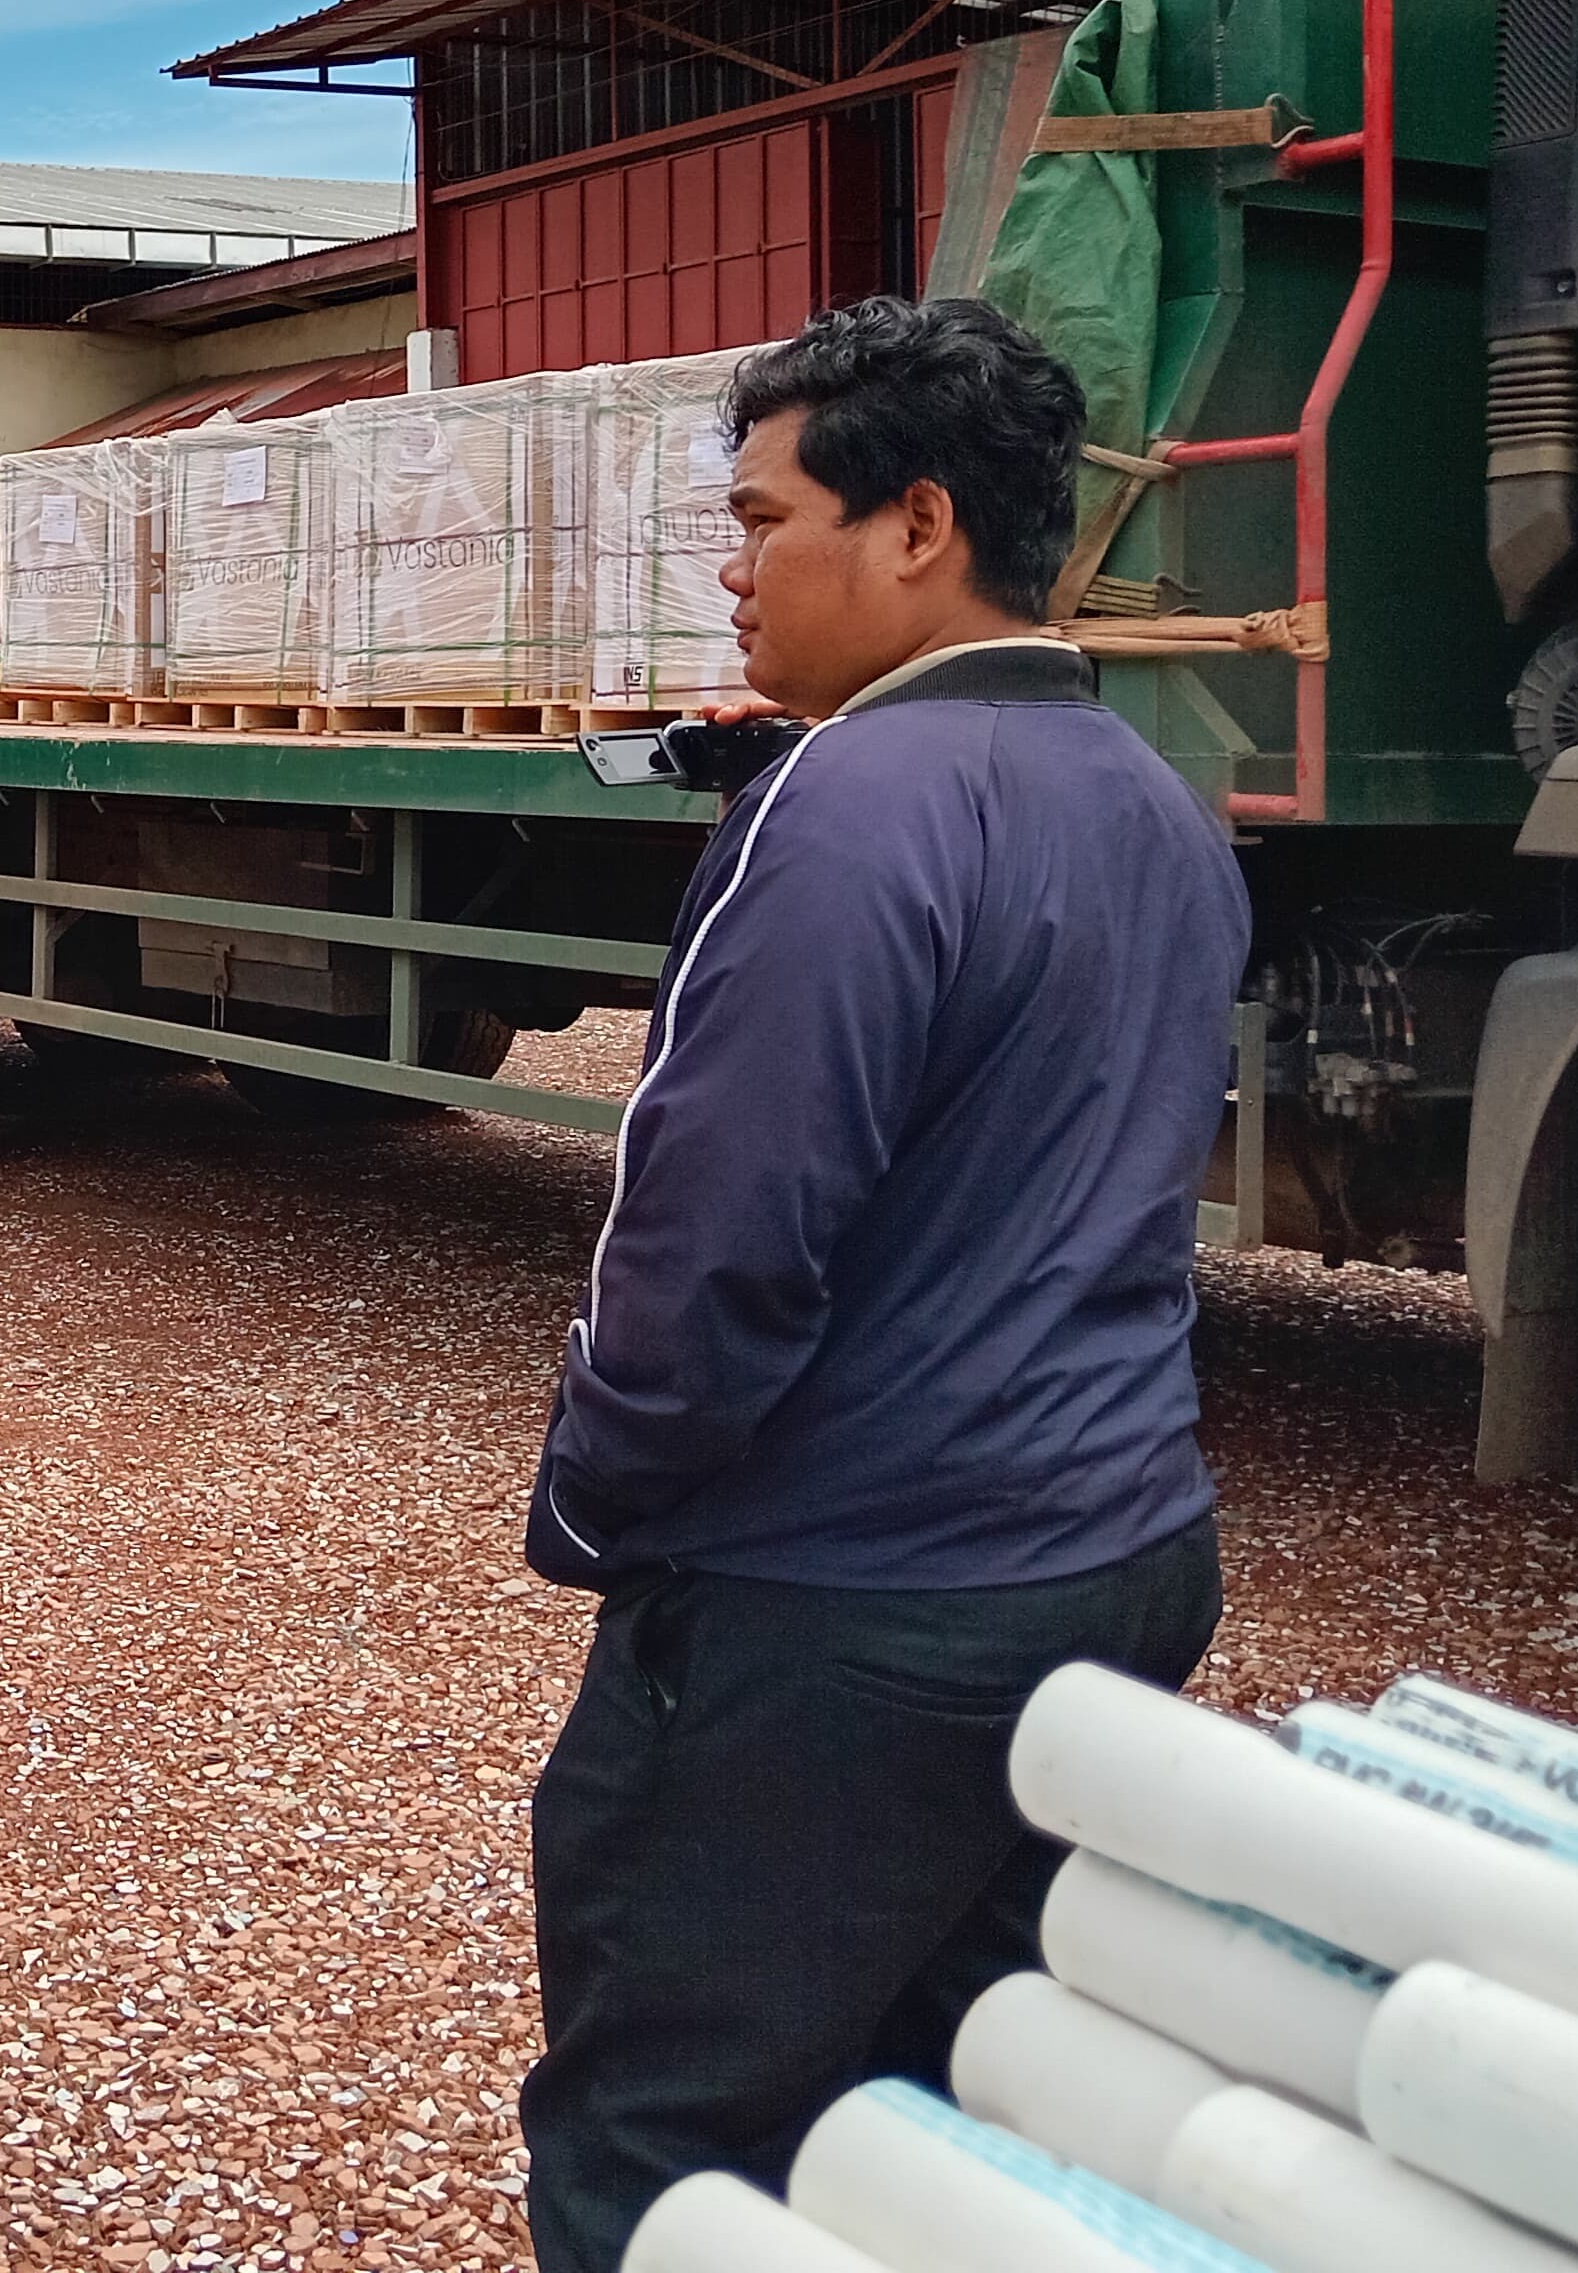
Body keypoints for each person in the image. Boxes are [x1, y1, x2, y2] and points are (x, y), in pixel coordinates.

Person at [513, 295, 1250, 2272]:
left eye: (761, 521)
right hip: (1115, 1560)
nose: (731, 569)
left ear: (912, 524)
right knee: (949, 2102)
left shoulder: (836, 810)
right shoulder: (1157, 810)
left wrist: (588, 1509)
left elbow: (706, 1263)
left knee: (659, 2140)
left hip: (850, 1609)